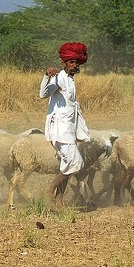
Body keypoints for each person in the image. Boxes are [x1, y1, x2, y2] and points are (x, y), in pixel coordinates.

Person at [39, 42, 90, 207]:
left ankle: (59, 202)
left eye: (76, 62)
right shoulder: (59, 78)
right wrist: (47, 76)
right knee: (75, 163)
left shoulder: (70, 80)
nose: (74, 65)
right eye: (71, 62)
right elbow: (43, 94)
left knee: (67, 165)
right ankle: (48, 191)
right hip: (60, 129)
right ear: (65, 63)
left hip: (69, 129)